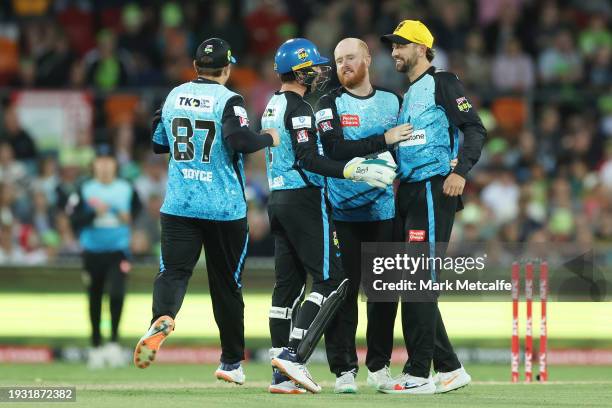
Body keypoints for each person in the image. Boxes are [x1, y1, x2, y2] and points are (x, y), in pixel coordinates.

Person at [132, 38, 280, 384]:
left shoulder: (173, 96)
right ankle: (231, 363)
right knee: (227, 286)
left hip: (180, 205)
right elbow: (240, 141)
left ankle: (163, 316)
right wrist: (268, 137)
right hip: (223, 209)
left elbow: (157, 143)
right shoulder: (230, 100)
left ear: (195, 67)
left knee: (172, 272)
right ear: (227, 69)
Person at [262, 38, 396, 394]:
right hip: (304, 199)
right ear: (301, 70)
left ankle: (280, 373)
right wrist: (352, 170)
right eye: (318, 66)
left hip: (277, 199)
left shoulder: (272, 104)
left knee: (286, 288)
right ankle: (294, 357)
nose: (323, 71)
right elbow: (308, 158)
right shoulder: (303, 107)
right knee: (332, 281)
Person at [379, 20, 486, 394]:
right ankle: (450, 369)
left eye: (402, 45)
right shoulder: (408, 92)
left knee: (418, 281)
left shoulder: (443, 82)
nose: (394, 52)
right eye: (392, 46)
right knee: (410, 280)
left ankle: (419, 373)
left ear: (424, 48)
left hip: (431, 188)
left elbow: (474, 127)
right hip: (407, 191)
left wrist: (460, 170)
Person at [315, 38, 412, 393]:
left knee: (384, 295)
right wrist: (382, 140)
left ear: (368, 59)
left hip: (383, 213)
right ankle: (343, 370)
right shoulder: (329, 103)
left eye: (350, 57)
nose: (343, 65)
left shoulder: (393, 101)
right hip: (342, 215)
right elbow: (335, 149)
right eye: (339, 60)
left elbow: (407, 147)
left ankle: (379, 367)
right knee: (344, 293)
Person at [66, 145, 140, 369]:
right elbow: (73, 218)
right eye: (100, 160)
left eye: (109, 160)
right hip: (92, 253)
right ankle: (96, 346)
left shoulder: (126, 188)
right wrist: (91, 214)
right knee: (94, 297)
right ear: (94, 164)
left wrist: (128, 218)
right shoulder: (84, 189)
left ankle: (114, 343)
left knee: (117, 294)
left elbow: (137, 212)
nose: (105, 165)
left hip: (118, 252)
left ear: (115, 164)